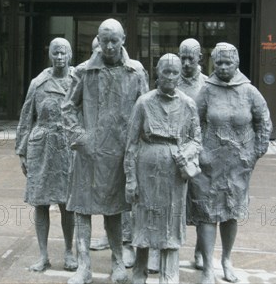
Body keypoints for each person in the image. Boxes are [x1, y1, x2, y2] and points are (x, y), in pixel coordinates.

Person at [63, 18, 149, 284]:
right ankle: (84, 266)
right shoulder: (84, 71)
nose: (109, 46)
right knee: (82, 209)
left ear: (124, 39)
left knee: (115, 210)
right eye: (104, 41)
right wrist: (80, 136)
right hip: (88, 154)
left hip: (120, 155)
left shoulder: (135, 72)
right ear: (98, 41)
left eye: (114, 40)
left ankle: (117, 262)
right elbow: (67, 108)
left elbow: (147, 110)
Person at [188, 42, 272, 284]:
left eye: (228, 63)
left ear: (237, 63)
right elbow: (194, 121)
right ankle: (207, 269)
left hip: (238, 164)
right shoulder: (207, 90)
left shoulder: (249, 91)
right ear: (214, 63)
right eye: (219, 63)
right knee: (206, 215)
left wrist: (255, 153)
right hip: (208, 164)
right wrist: (198, 151)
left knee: (230, 214)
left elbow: (264, 123)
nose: (223, 67)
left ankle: (226, 259)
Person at [125, 54, 202, 284]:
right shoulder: (144, 102)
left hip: (175, 173)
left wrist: (186, 153)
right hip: (146, 168)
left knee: (171, 221)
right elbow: (130, 144)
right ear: (157, 72)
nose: (170, 76)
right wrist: (130, 179)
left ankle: (170, 274)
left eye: (174, 72)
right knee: (143, 220)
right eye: (165, 71)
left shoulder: (188, 104)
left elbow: (197, 139)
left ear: (180, 76)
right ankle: (139, 272)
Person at [15, 38, 78, 272]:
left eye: (63, 53)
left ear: (70, 55)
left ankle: (69, 252)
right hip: (41, 147)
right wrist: (22, 151)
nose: (59, 57)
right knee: (40, 203)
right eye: (55, 53)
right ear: (50, 55)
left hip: (67, 147)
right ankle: (43, 255)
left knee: (67, 204)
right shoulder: (38, 83)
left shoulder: (77, 81)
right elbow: (26, 117)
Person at [176, 38, 208, 270]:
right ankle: (169, 250)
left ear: (200, 58)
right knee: (172, 203)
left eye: (190, 58)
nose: (186, 63)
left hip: (200, 152)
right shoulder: (171, 80)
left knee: (201, 204)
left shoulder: (207, 85)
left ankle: (200, 252)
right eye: (182, 57)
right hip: (175, 151)